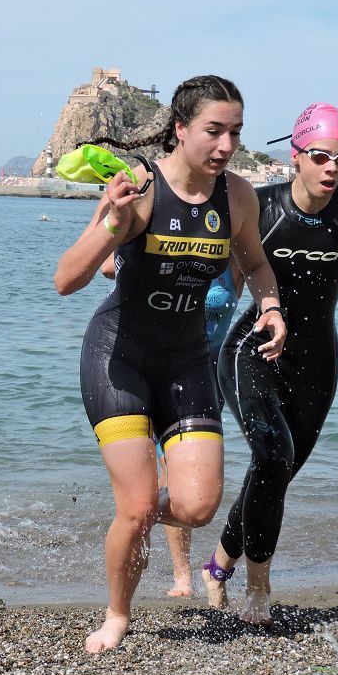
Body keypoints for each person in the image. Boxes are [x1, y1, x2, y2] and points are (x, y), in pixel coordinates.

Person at [54, 75, 287, 653]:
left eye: (235, 132)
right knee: (135, 506)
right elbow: (67, 279)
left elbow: (255, 263)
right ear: (180, 131)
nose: (226, 145)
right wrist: (111, 218)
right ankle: (116, 615)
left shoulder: (236, 197)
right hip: (119, 354)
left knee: (197, 507)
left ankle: (127, 522)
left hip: (186, 360)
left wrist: (272, 307)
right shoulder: (140, 188)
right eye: (214, 131)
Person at [202, 103, 338, 625]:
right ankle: (259, 590)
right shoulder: (260, 206)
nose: (331, 168)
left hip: (317, 363)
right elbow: (209, 265)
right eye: (321, 156)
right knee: (274, 456)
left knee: (273, 471)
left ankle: (218, 565)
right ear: (296, 157)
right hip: (251, 350)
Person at [100, 255, 243, 598]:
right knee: (160, 471)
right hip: (144, 364)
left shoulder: (234, 257)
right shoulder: (169, 238)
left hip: (202, 375)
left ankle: (141, 522)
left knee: (184, 481)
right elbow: (108, 265)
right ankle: (181, 573)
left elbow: (266, 272)